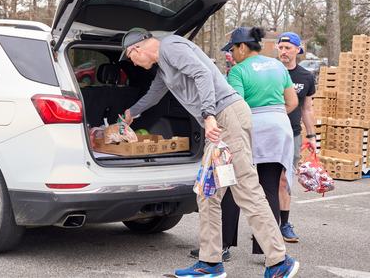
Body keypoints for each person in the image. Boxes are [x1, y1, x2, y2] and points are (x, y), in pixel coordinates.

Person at [119, 27, 299, 278]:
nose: (134, 63)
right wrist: (131, 113)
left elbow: (202, 73)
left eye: (131, 57)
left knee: (246, 189)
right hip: (219, 122)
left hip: (226, 117)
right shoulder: (164, 67)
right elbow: (154, 94)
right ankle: (210, 263)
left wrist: (208, 115)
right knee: (207, 192)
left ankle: (280, 261)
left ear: (136, 48)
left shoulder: (171, 46)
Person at [223, 26, 299, 256]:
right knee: (270, 188)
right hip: (279, 128)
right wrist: (273, 116)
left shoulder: (238, 71)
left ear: (243, 47)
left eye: (232, 49)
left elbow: (237, 107)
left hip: (251, 127)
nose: (231, 54)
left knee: (233, 186)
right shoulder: (278, 65)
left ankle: (223, 245)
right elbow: (293, 101)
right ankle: (266, 249)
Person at [277, 32, 316, 242]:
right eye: (281, 48)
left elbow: (307, 108)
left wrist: (311, 135)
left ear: (297, 50)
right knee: (265, 179)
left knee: (285, 180)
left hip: (292, 134)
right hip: (269, 134)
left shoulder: (306, 77)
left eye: (288, 48)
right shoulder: (270, 71)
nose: (283, 52)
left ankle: (284, 224)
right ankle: (267, 225)